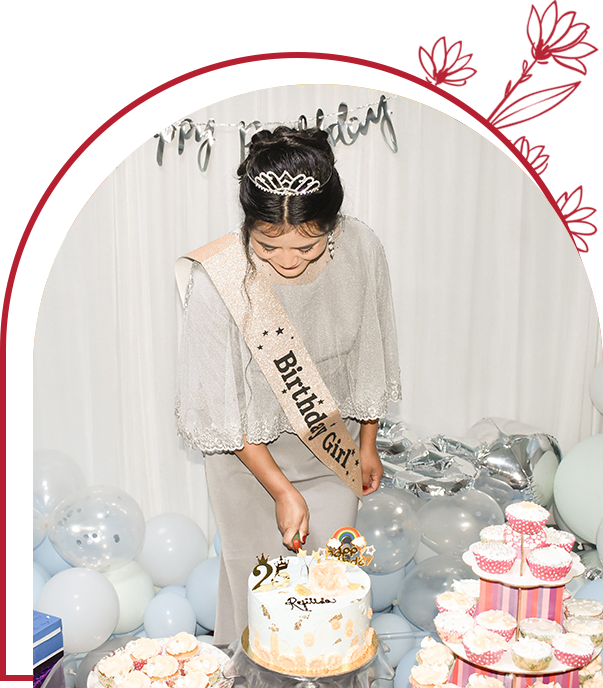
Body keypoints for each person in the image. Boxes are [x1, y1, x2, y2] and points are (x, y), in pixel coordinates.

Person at [175, 126, 401, 646]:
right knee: (262, 591)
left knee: (330, 588)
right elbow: (220, 407)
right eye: (268, 244)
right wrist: (280, 489)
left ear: (333, 227)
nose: (288, 259)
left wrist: (366, 442)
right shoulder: (219, 279)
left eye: (308, 243)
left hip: (328, 446)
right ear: (248, 227)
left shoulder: (361, 248)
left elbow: (372, 346)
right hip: (247, 461)